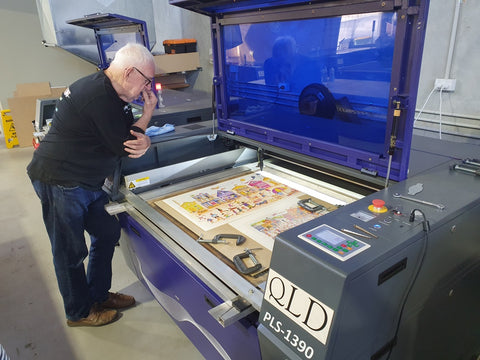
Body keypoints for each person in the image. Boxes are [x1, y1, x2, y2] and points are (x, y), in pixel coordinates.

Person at [27, 43, 158, 327]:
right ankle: (79, 312)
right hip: (61, 180)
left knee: (108, 231)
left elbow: (125, 133)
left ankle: (98, 295)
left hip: (85, 180)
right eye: (146, 80)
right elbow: (126, 145)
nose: (149, 86)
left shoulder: (112, 94)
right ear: (128, 72)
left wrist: (142, 119)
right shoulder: (98, 97)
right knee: (70, 252)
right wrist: (146, 117)